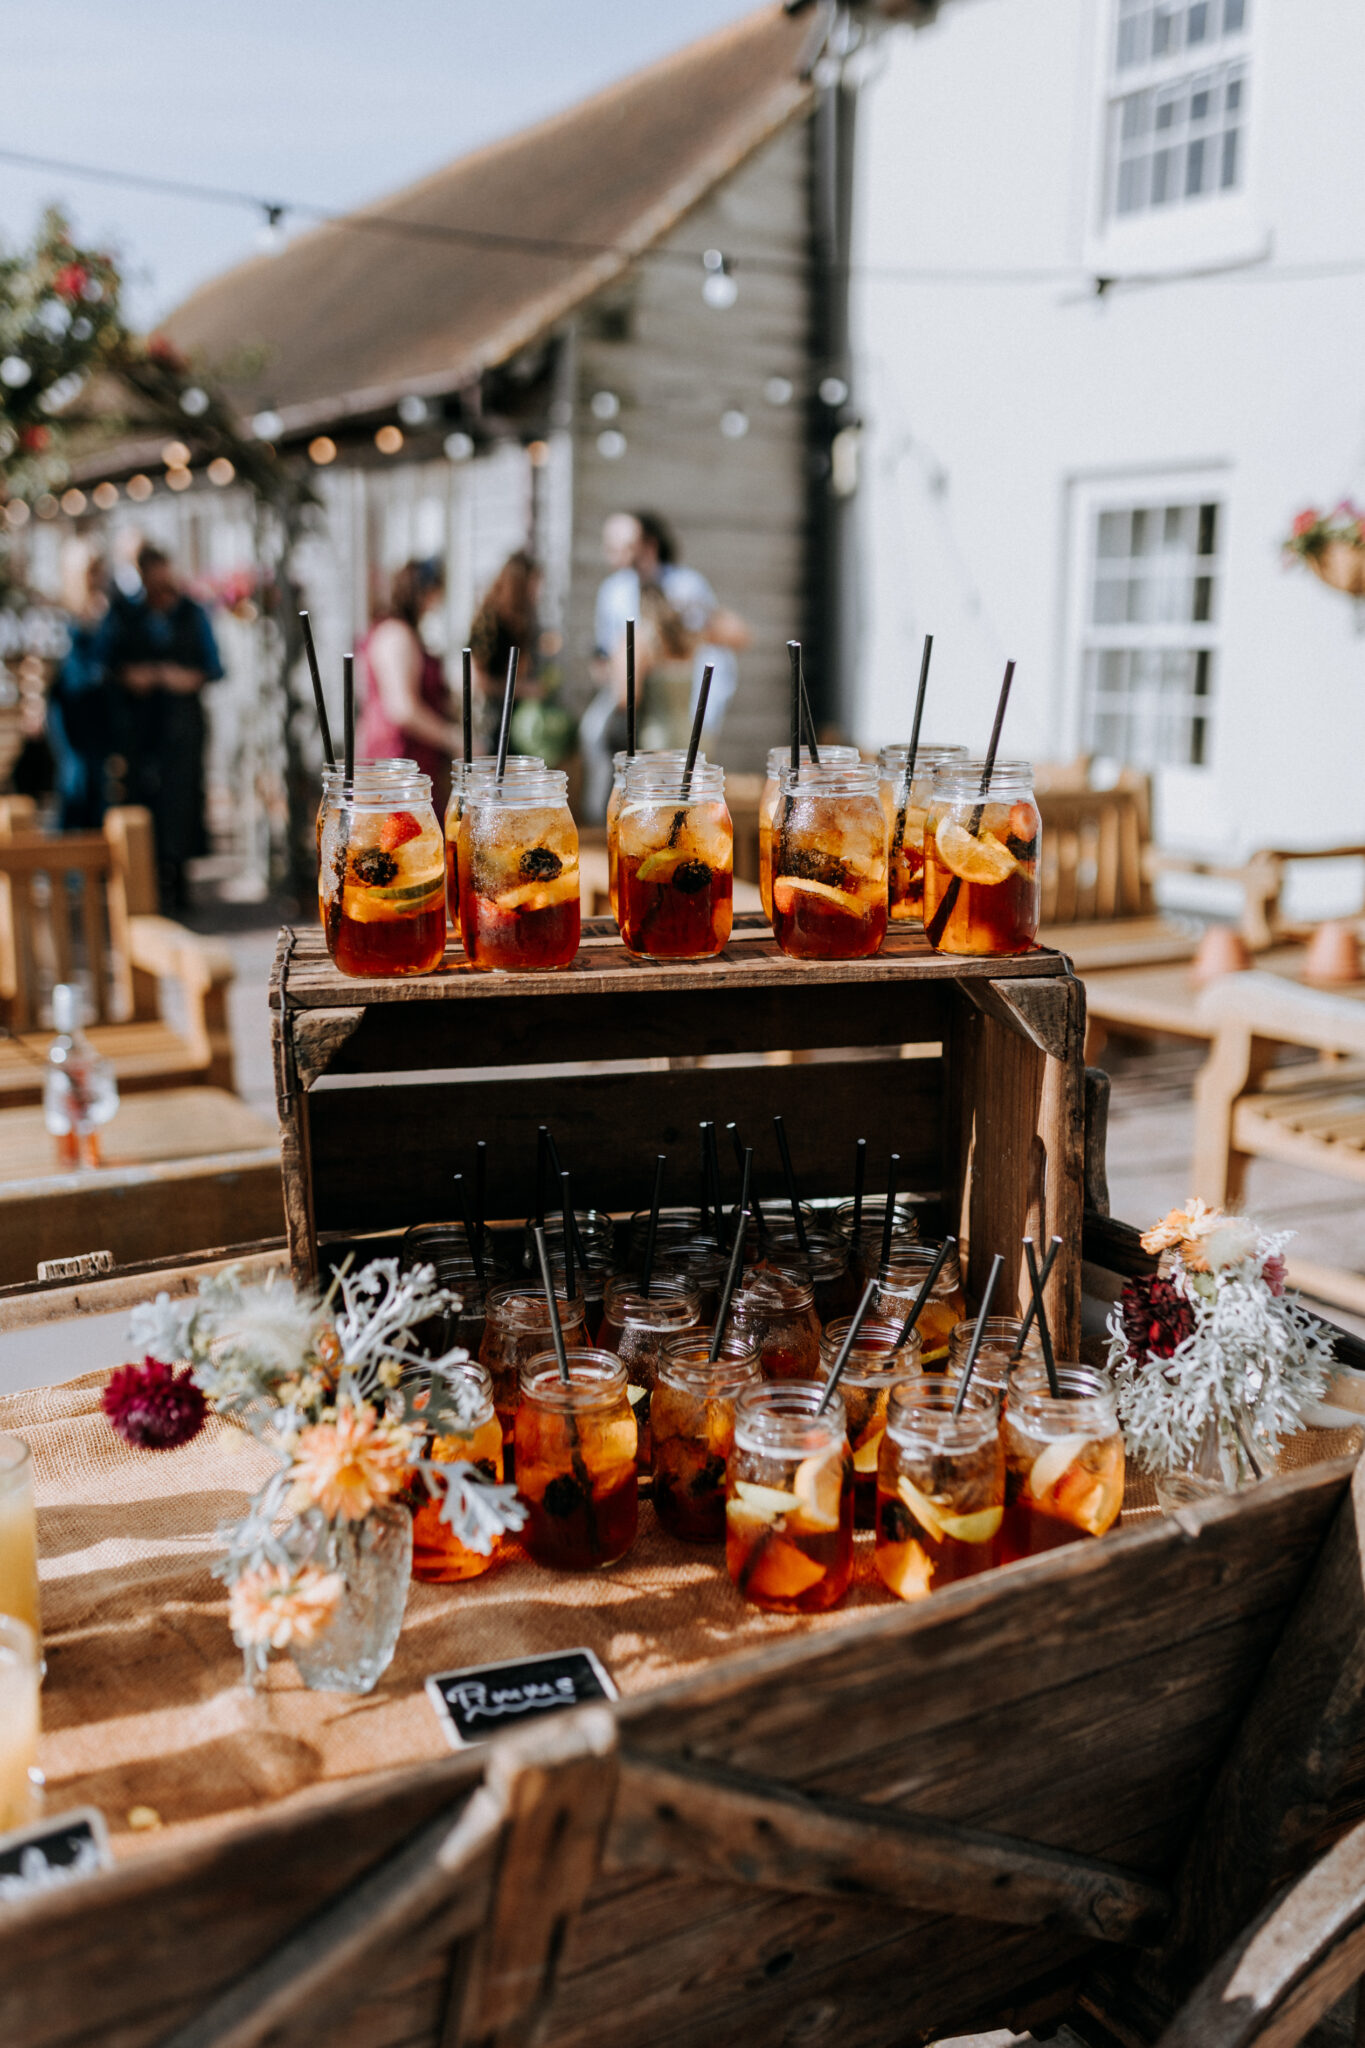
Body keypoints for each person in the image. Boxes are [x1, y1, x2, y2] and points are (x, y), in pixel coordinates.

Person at [580, 511, 750, 819]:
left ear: (649, 545)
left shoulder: (684, 586)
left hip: (672, 711)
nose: (618, 554)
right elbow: (605, 655)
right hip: (651, 707)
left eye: (627, 545)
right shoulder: (614, 591)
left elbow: (731, 636)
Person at [106, 542, 223, 911]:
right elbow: (109, 663)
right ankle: (152, 876)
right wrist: (132, 676)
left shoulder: (191, 612)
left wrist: (179, 678)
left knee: (183, 798)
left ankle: (180, 879)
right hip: (143, 725)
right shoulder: (127, 614)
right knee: (146, 796)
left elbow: (214, 667)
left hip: (182, 724)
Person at [357, 559, 459, 814]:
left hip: (407, 763)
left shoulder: (393, 631)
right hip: (398, 763)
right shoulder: (397, 635)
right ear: (423, 593)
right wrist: (452, 737)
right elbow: (403, 708)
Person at [48, 541, 113, 829]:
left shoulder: (107, 611)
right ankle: (68, 859)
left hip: (98, 706)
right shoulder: (63, 613)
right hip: (70, 707)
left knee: (98, 778)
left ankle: (95, 858)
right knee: (75, 778)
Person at [468, 549, 542, 753]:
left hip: (517, 720)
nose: (538, 591)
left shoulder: (524, 621)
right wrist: (522, 689)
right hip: (492, 721)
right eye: (535, 584)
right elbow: (478, 681)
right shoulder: (489, 623)